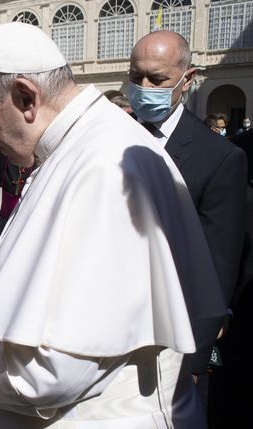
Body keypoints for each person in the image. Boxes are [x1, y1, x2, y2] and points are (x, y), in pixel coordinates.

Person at [0, 22, 226, 428]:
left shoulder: (102, 165)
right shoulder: (78, 146)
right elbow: (42, 302)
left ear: (26, 96)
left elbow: (45, 372)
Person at [128, 31, 247, 383]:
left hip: (167, 333)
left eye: (157, 78)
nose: (145, 86)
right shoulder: (110, 136)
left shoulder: (220, 158)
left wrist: (194, 360)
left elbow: (217, 265)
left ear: (187, 79)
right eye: (137, 77)